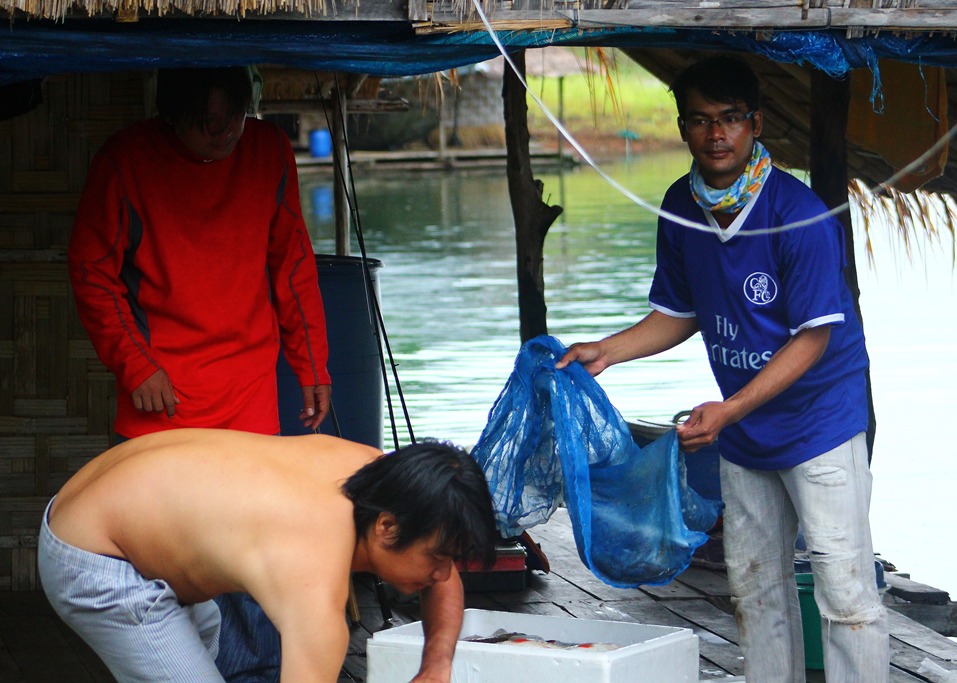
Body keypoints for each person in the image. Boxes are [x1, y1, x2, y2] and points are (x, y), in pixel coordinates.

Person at [556, 54, 888, 682]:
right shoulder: (681, 204)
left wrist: (730, 410)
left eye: (730, 119)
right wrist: (608, 350)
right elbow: (680, 313)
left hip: (820, 423)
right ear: (683, 128)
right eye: (701, 120)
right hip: (746, 428)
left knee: (846, 596)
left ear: (755, 123)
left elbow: (812, 341)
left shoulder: (801, 215)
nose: (716, 134)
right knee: (755, 586)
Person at [38, 429, 499, 683]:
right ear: (386, 528)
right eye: (438, 558)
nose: (444, 574)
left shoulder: (381, 477)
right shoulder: (313, 577)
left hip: (122, 517)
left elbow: (443, 574)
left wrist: (436, 667)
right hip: (99, 557)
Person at [68, 66, 332, 438]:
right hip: (160, 395)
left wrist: (313, 366)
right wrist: (136, 366)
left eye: (235, 116)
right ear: (172, 116)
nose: (225, 132)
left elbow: (294, 269)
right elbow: (91, 273)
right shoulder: (124, 159)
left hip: (250, 394)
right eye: (209, 121)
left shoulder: (269, 149)